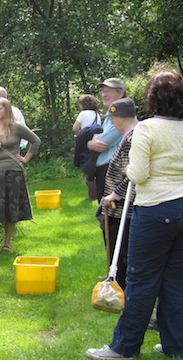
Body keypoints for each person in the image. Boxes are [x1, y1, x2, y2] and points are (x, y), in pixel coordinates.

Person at [86, 70, 183, 359]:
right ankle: (175, 345)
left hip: (155, 211)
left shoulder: (147, 129)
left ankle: (124, 347)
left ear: (152, 98)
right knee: (175, 280)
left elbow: (137, 174)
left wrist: (129, 170)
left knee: (141, 280)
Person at [0, 97, 41, 252]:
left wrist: (26, 158)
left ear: (7, 110)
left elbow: (36, 141)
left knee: (10, 207)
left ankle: (7, 242)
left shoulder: (16, 127)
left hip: (11, 171)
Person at [100, 98, 138, 290]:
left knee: (124, 252)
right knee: (117, 246)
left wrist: (115, 195)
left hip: (126, 209)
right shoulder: (129, 135)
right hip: (119, 208)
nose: (111, 122)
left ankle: (120, 290)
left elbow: (132, 175)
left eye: (113, 118)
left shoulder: (133, 138)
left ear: (122, 117)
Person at [87, 78, 127, 201]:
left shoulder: (122, 115)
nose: (104, 95)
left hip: (113, 171)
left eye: (108, 91)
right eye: (103, 92)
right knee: (105, 215)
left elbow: (102, 142)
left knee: (110, 215)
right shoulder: (111, 115)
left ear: (120, 93)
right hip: (104, 171)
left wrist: (89, 142)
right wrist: (89, 143)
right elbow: (96, 140)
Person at [73, 94, 102, 201]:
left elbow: (75, 128)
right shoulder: (97, 114)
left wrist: (82, 133)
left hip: (86, 143)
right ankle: (96, 192)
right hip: (97, 141)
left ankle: (92, 195)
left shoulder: (83, 114)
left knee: (86, 167)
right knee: (94, 165)